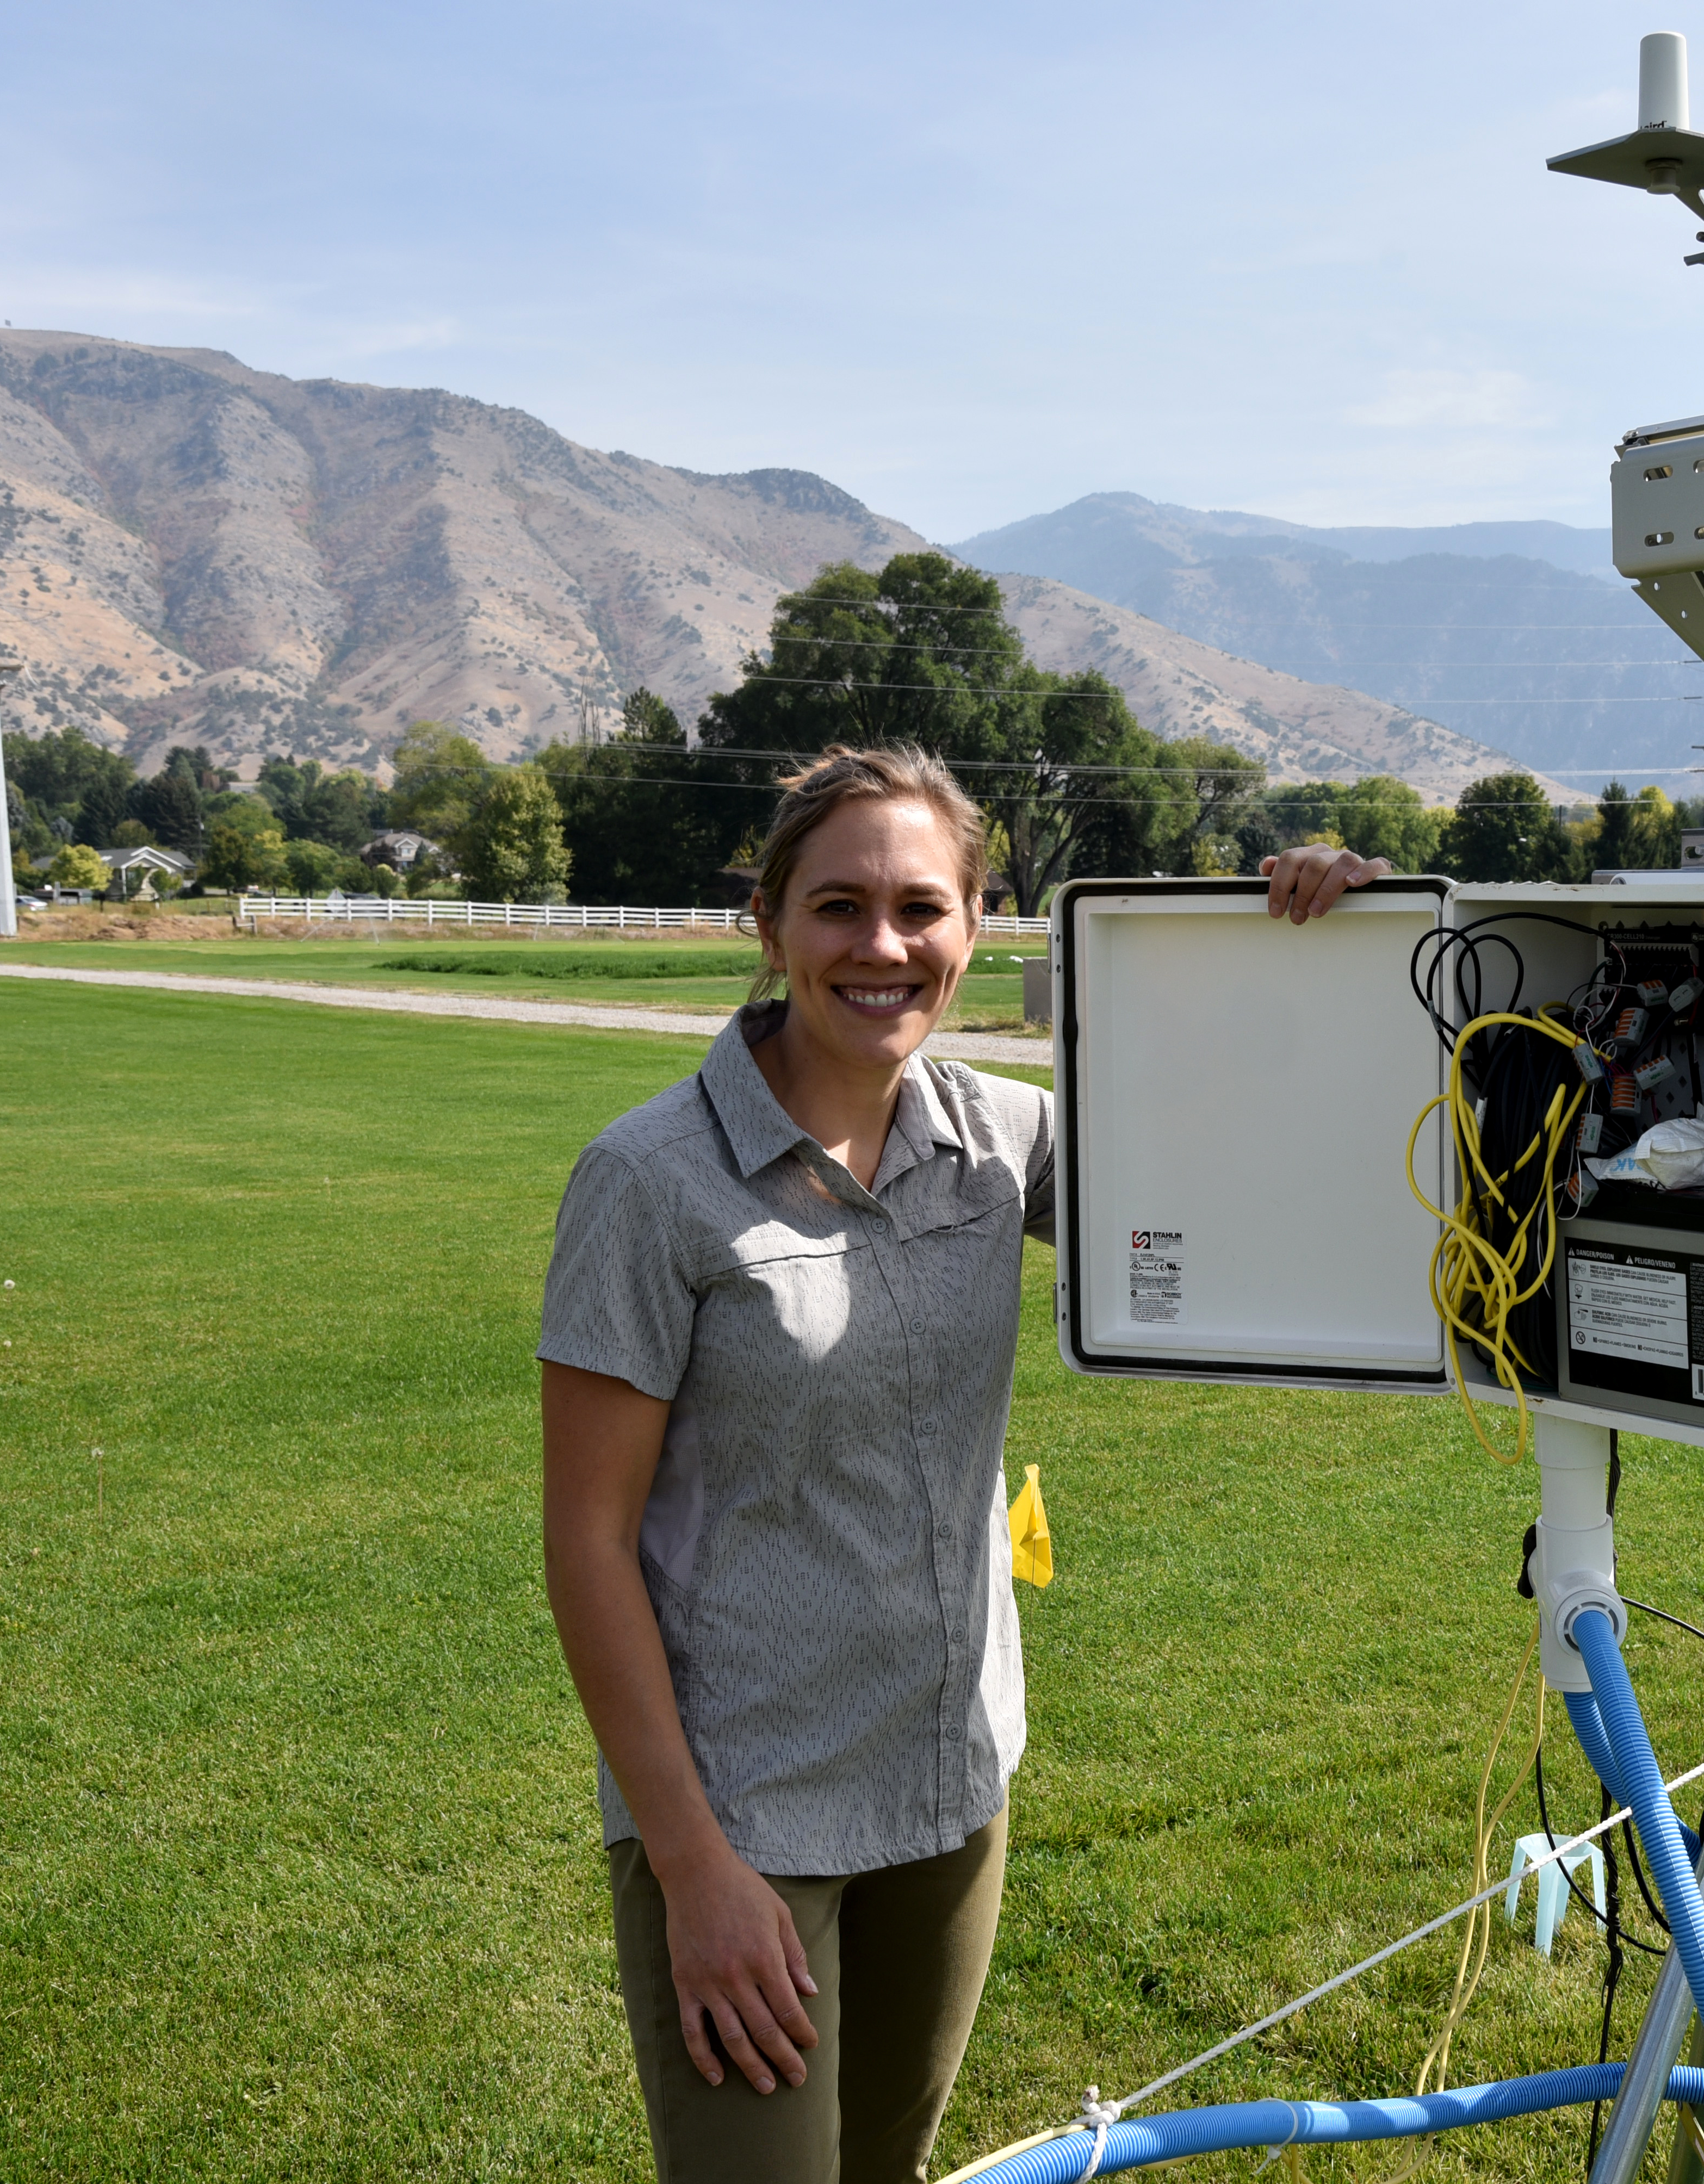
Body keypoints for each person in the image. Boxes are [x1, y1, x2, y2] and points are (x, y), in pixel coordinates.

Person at [539, 744, 1385, 2184]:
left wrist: (1326, 938)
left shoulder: (1004, 1138)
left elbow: (1239, 1157)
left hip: (949, 1788)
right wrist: (693, 1869)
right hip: (748, 1818)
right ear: (769, 924)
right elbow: (586, 1542)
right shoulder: (650, 1181)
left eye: (922, 908)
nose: (883, 946)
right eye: (839, 906)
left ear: (977, 925)